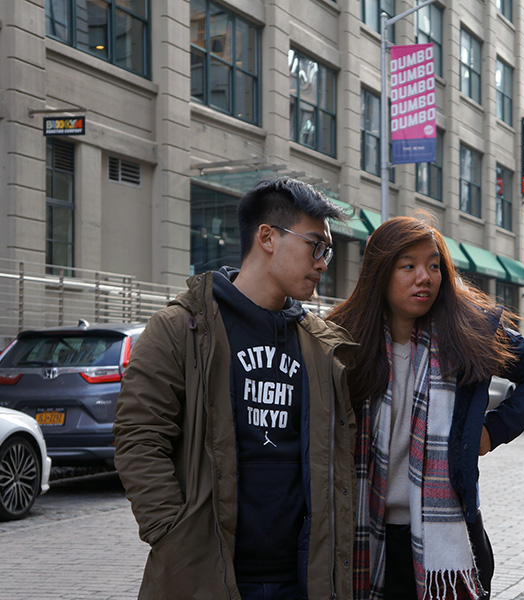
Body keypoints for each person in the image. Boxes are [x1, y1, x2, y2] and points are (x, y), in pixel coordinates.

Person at [113, 177, 358, 600]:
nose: (323, 263)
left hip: (301, 578)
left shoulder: (319, 344)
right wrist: (172, 534)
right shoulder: (181, 329)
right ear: (267, 237)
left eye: (328, 251)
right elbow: (139, 437)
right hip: (207, 575)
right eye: (315, 245)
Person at [326, 215, 524, 600]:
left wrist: (491, 432)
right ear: (380, 272)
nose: (425, 277)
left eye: (434, 265)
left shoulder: (470, 329)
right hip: (361, 536)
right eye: (409, 266)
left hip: (449, 545)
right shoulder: (340, 338)